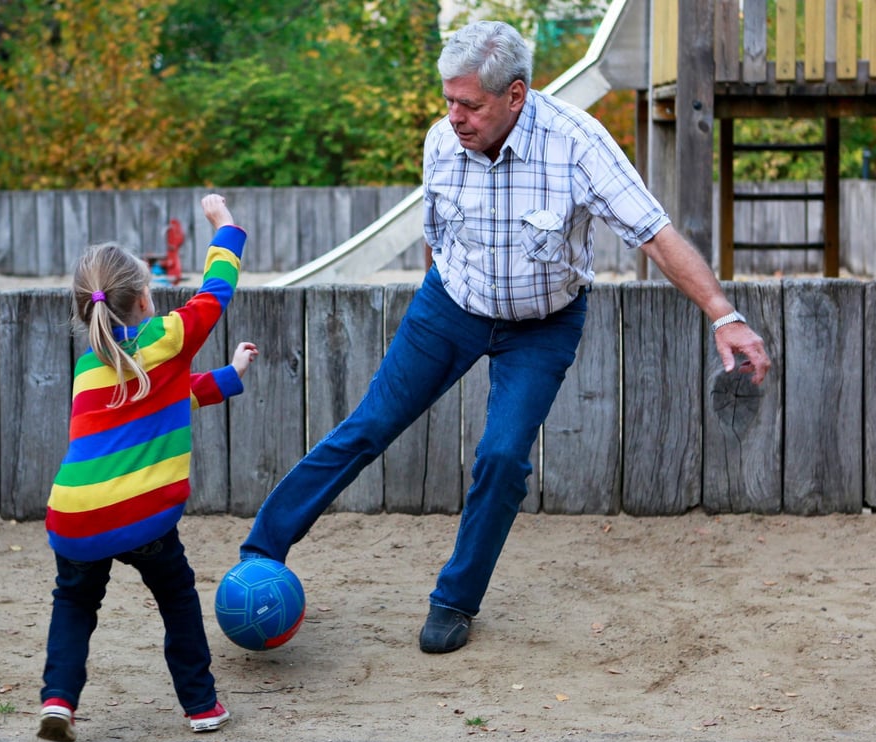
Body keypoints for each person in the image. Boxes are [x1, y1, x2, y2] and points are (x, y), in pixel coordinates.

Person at [239, 20, 771, 654]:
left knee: (502, 457)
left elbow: (653, 232)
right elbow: (438, 233)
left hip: (542, 327)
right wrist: (443, 301)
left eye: (470, 104)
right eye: (448, 101)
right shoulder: (442, 142)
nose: (454, 116)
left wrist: (723, 314)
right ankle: (260, 552)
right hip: (452, 306)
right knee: (369, 425)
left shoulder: (577, 143)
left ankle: (455, 600)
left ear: (515, 95)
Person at [38, 194, 252, 742]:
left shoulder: (89, 367)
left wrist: (227, 376)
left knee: (75, 604)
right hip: (142, 516)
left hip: (74, 515)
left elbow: (159, 403)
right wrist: (225, 226)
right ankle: (201, 707)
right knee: (177, 598)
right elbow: (216, 292)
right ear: (144, 298)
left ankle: (59, 701)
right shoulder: (167, 337)